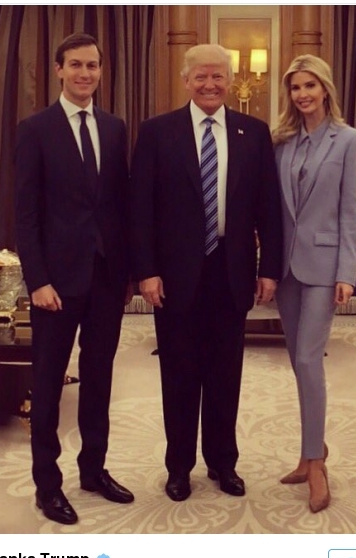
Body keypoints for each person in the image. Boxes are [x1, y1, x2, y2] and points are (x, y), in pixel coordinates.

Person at [129, 44, 282, 501]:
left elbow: (268, 207)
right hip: (174, 277)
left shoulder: (254, 132)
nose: (210, 85)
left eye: (218, 76)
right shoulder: (157, 132)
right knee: (178, 375)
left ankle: (222, 463)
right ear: (186, 80)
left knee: (224, 376)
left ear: (230, 81)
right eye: (200, 77)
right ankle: (179, 467)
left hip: (231, 273)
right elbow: (141, 210)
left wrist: (269, 269)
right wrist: (146, 271)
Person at [15, 33, 134, 525]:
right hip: (56, 285)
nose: (85, 73)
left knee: (99, 378)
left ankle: (93, 470)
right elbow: (25, 214)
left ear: (101, 71)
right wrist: (37, 280)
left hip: (106, 278)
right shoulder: (35, 129)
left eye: (93, 66)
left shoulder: (114, 127)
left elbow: (119, 205)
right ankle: (47, 485)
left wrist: (127, 272)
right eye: (76, 65)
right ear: (59, 70)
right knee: (47, 385)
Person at [272, 55, 356, 513]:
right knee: (299, 363)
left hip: (325, 267)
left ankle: (316, 464)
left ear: (325, 89)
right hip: (286, 269)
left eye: (310, 85)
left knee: (310, 359)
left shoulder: (349, 140)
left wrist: (347, 272)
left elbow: (350, 210)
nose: (303, 94)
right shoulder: (281, 142)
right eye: (295, 88)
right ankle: (312, 449)